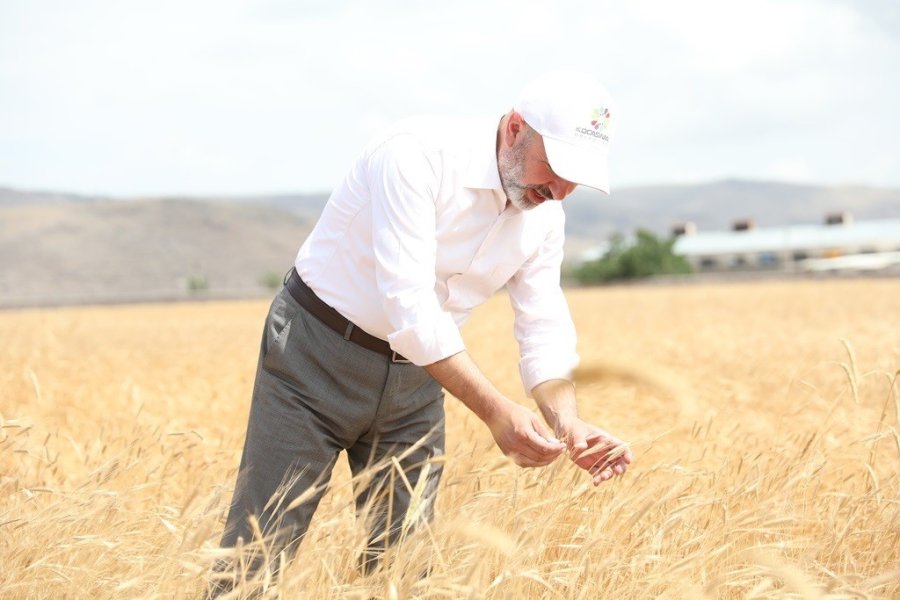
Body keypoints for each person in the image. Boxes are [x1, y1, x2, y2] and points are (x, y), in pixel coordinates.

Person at [212, 71, 633, 590]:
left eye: (578, 178)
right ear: (516, 128)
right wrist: (497, 414)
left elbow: (542, 322)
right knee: (256, 554)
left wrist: (568, 424)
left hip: (419, 382)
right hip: (314, 356)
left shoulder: (546, 215)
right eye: (557, 166)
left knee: (403, 571)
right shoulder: (414, 153)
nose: (561, 190)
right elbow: (409, 307)